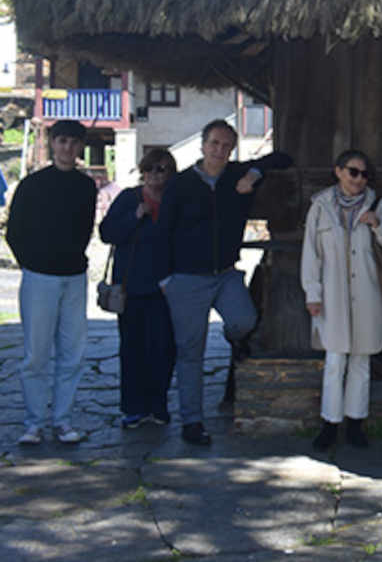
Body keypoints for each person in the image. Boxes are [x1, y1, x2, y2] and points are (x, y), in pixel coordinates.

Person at [157, 119, 292, 446]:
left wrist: (254, 176)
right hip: (186, 279)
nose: (219, 150)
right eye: (214, 144)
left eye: (226, 146)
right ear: (203, 145)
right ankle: (192, 422)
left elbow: (280, 159)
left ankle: (236, 341)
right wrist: (165, 280)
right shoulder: (180, 185)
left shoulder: (235, 176)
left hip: (225, 275)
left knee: (244, 321)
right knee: (191, 351)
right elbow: (162, 234)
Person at [301, 149, 382, 450]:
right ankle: (330, 425)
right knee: (334, 360)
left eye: (364, 174)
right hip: (332, 296)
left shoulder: (377, 205)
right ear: (338, 171)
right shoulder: (320, 207)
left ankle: (356, 423)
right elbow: (311, 254)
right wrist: (313, 293)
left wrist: (378, 225)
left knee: (361, 360)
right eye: (353, 171)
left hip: (368, 295)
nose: (359, 179)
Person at [7, 120, 97, 445]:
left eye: (74, 143)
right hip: (39, 277)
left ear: (80, 147)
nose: (67, 149)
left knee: (72, 353)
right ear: (51, 143)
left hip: (74, 277)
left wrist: (71, 257)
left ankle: (62, 421)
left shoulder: (86, 187)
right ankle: (34, 423)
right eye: (61, 141)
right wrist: (33, 264)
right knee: (36, 354)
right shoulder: (32, 185)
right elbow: (14, 232)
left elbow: (86, 229)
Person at [99, 148, 180, 429]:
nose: (156, 175)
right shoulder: (129, 198)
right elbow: (107, 233)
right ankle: (133, 408)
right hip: (132, 287)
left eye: (163, 169)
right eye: (151, 169)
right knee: (133, 350)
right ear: (143, 171)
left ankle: (157, 406)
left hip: (166, 290)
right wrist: (135, 216)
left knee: (163, 349)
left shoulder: (174, 200)